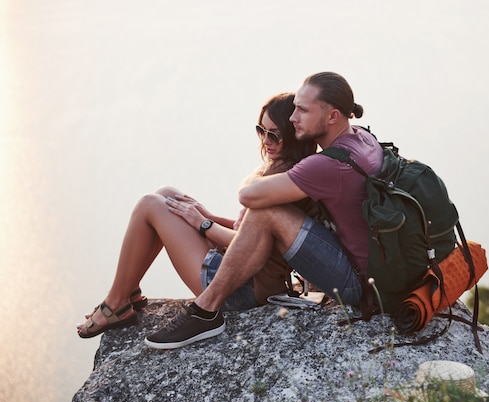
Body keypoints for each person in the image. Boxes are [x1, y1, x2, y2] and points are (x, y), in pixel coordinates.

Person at [144, 72, 384, 349]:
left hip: (357, 283)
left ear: (333, 116)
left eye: (303, 110)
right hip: (368, 269)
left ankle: (206, 310)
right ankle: (122, 303)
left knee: (265, 210)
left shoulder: (327, 164)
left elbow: (248, 195)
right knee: (167, 196)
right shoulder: (362, 139)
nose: (294, 118)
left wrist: (258, 175)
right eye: (294, 109)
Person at [77, 92, 316, 338]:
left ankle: (117, 302)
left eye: (274, 134)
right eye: (261, 131)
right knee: (167, 194)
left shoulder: (285, 183)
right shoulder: (283, 171)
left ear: (294, 135)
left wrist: (203, 223)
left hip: (241, 289)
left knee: (149, 204)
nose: (266, 140)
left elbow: (253, 248)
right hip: (242, 272)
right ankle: (129, 290)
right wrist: (207, 216)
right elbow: (248, 231)